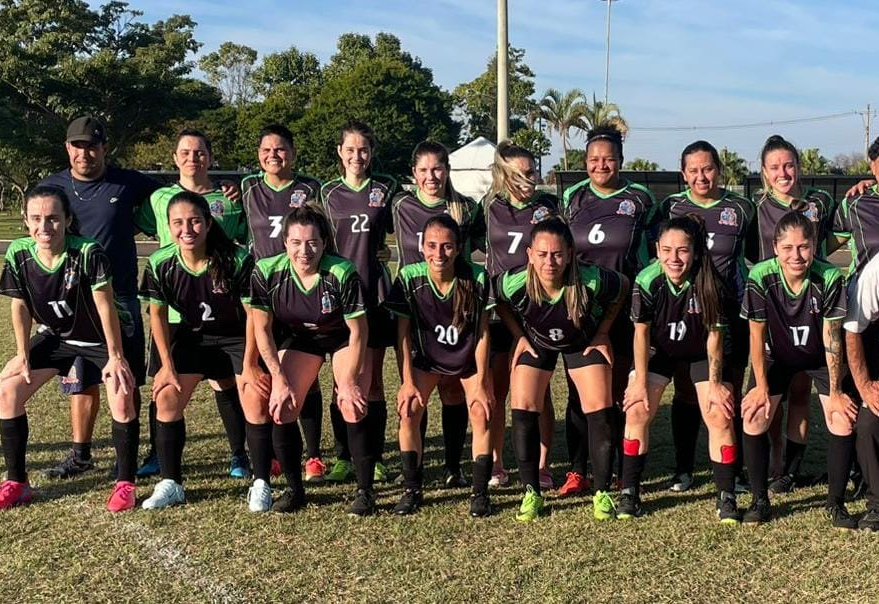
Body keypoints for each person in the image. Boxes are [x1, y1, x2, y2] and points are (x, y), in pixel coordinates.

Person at [0, 186, 138, 511]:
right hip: (58, 336)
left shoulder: (88, 252)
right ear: (25, 221)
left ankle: (125, 483)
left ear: (67, 219)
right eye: (36, 219)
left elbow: (105, 308)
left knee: (121, 397)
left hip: (101, 339)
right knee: (8, 391)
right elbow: (19, 306)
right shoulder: (19, 253)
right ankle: (18, 482)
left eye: (52, 219)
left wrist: (116, 357)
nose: (44, 227)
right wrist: (23, 354)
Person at [38, 116, 156, 479]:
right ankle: (80, 454)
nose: (84, 152)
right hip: (72, 300)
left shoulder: (128, 181)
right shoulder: (52, 185)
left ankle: (129, 455)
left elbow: (175, 193)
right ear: (67, 148)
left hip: (119, 295)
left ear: (104, 147)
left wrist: (220, 193)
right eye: (77, 145)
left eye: (91, 145)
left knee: (125, 377)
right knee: (81, 379)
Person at [138, 191, 270, 511]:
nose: (187, 229)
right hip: (194, 338)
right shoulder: (160, 263)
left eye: (195, 221)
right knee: (166, 396)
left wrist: (251, 363)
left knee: (255, 397)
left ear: (209, 223)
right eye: (178, 223)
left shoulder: (236, 259)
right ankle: (172, 482)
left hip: (236, 338)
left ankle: (261, 481)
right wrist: (167, 367)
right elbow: (157, 315)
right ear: (168, 227)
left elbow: (254, 315)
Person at [138, 128, 251, 479]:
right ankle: (158, 454)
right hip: (172, 308)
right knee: (164, 383)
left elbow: (245, 238)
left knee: (225, 383)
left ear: (210, 157)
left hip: (219, 309)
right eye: (185, 152)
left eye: (200, 152)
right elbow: (136, 224)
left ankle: (239, 454)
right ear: (174, 158)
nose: (192, 158)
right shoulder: (158, 198)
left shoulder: (229, 199)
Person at [250, 204, 376, 516]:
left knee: (351, 403)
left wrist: (346, 382)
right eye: (296, 243)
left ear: (323, 243)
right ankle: (295, 489)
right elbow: (262, 330)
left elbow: (359, 331)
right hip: (302, 338)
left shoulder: (341, 272)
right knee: (282, 406)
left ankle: (365, 491)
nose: (304, 251)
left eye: (312, 243)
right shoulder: (266, 272)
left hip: (343, 336)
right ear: (284, 243)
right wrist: (278, 379)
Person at [498, 218, 627, 521]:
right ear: (529, 254)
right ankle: (531, 493)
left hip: (581, 342)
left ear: (570, 253)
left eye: (557, 254)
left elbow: (623, 287)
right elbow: (499, 302)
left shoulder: (592, 279)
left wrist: (602, 333)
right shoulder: (512, 281)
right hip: (538, 343)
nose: (549, 262)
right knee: (523, 405)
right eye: (542, 255)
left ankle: (602, 491)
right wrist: (519, 336)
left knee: (599, 406)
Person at [619, 215, 740, 522]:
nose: (674, 258)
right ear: (657, 250)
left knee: (718, 412)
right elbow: (641, 334)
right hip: (660, 353)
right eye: (667, 250)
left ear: (696, 252)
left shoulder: (711, 281)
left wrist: (715, 384)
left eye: (683, 250)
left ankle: (726, 496)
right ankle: (629, 492)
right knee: (636, 409)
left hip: (699, 353)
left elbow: (715, 336)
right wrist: (639, 381)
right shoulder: (647, 280)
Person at [740, 212, 857, 528]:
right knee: (755, 416)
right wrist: (760, 386)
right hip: (777, 357)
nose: (796, 255)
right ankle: (759, 500)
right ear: (775, 246)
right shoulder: (761, 276)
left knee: (841, 419)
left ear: (814, 245)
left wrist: (835, 392)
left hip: (819, 358)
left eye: (803, 247)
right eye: (788, 247)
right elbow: (756, 334)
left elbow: (832, 338)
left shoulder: (830, 276)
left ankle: (836, 504)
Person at [560, 125, 656, 497]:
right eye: (594, 159)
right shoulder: (572, 197)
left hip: (625, 308)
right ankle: (576, 470)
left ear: (621, 161)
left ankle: (616, 467)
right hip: (580, 308)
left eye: (609, 159)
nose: (602, 165)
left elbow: (651, 254)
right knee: (577, 393)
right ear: (585, 162)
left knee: (619, 390)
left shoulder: (640, 198)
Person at [656, 140, 754, 493]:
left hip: (731, 314)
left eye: (708, 168)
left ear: (719, 169)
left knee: (729, 391)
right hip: (688, 314)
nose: (701, 176)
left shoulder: (741, 208)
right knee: (685, 390)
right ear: (683, 174)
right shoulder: (671, 207)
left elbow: (756, 253)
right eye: (693, 170)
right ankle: (683, 468)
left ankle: (735, 470)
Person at [748, 135, 842, 493]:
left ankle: (791, 467)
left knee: (801, 389)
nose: (783, 172)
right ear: (764, 173)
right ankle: (774, 456)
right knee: (773, 389)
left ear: (799, 166)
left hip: (810, 306)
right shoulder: (754, 207)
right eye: (775, 167)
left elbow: (834, 239)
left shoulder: (820, 200)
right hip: (772, 306)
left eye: (789, 165)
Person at [385, 214, 494, 516]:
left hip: (467, 360)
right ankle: (411, 489)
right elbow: (403, 335)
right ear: (421, 246)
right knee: (408, 411)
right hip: (427, 359)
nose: (439, 254)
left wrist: (483, 381)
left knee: (481, 411)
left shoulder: (476, 278)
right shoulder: (409, 276)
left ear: (459, 248)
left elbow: (483, 332)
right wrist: (407, 381)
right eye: (432, 246)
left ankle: (480, 492)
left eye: (447, 246)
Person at [390, 141, 484, 488]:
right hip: (416, 307)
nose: (432, 176)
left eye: (438, 169)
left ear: (447, 170)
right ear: (414, 173)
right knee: (416, 388)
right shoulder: (398, 204)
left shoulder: (465, 208)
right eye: (424, 170)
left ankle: (453, 467)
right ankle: (411, 468)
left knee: (453, 391)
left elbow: (493, 245)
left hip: (455, 306)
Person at [240, 124, 326, 482]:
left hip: (302, 288)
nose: (274, 155)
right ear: (259, 155)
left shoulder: (310, 188)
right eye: (267, 150)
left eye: (281, 149)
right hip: (264, 291)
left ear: (292, 152)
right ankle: (274, 451)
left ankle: (314, 454)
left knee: (307, 377)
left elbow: (325, 232)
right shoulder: (246, 188)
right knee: (265, 368)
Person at [321, 120, 396, 484]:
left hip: (375, 294)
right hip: (339, 297)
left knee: (374, 381)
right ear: (340, 152)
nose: (357, 156)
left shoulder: (386, 188)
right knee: (341, 381)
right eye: (350, 150)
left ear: (372, 152)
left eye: (363, 150)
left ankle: (375, 456)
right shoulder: (327, 193)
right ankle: (343, 456)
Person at [481, 141, 559, 489]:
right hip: (499, 311)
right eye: (522, 173)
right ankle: (496, 463)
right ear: (504, 174)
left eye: (533, 171)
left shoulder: (550, 206)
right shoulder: (488, 208)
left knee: (540, 393)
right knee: (497, 390)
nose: (531, 179)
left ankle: (543, 465)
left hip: (537, 311)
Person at [843, 251, 879, 531]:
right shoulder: (875, 271)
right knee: (869, 422)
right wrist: (866, 387)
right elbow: (853, 330)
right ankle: (877, 504)